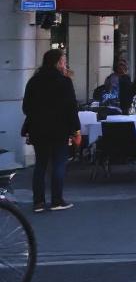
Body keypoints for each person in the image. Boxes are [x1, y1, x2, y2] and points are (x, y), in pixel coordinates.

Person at [23, 49, 79, 212]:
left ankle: (38, 202)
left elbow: (26, 107)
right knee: (58, 163)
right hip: (59, 129)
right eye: (63, 61)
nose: (65, 64)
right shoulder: (64, 82)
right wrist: (75, 129)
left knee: (40, 164)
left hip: (38, 129)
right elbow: (71, 107)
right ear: (57, 63)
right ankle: (57, 200)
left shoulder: (34, 81)